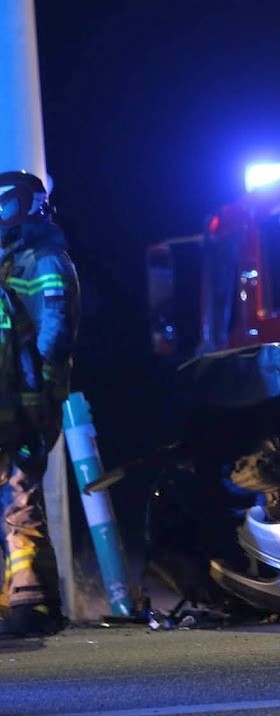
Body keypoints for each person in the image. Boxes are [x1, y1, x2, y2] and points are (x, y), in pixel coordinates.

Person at [0, 170, 80, 636]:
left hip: (17, 405)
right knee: (18, 498)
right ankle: (31, 604)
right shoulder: (38, 259)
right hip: (20, 405)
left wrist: (42, 400)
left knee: (15, 497)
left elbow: (53, 336)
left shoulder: (30, 261)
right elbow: (54, 334)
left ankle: (30, 604)